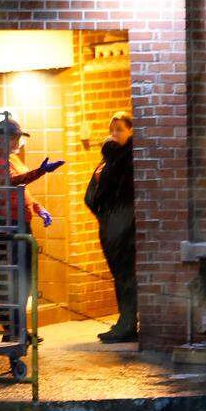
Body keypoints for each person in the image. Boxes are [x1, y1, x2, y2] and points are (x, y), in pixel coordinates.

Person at [0, 115, 64, 342]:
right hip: (6, 225)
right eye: (14, 138)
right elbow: (12, 182)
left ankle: (20, 330)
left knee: (22, 278)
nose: (17, 143)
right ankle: (11, 331)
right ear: (4, 138)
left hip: (19, 223)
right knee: (11, 278)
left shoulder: (10, 159)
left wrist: (38, 208)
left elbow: (23, 191)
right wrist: (41, 171)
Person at [85, 111, 137, 343]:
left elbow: (118, 177)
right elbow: (94, 191)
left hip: (124, 226)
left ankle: (128, 324)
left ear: (131, 131)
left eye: (119, 130)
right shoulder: (109, 159)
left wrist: (108, 148)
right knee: (119, 275)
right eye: (112, 130)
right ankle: (124, 321)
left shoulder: (126, 156)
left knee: (126, 275)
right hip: (110, 224)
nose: (113, 135)